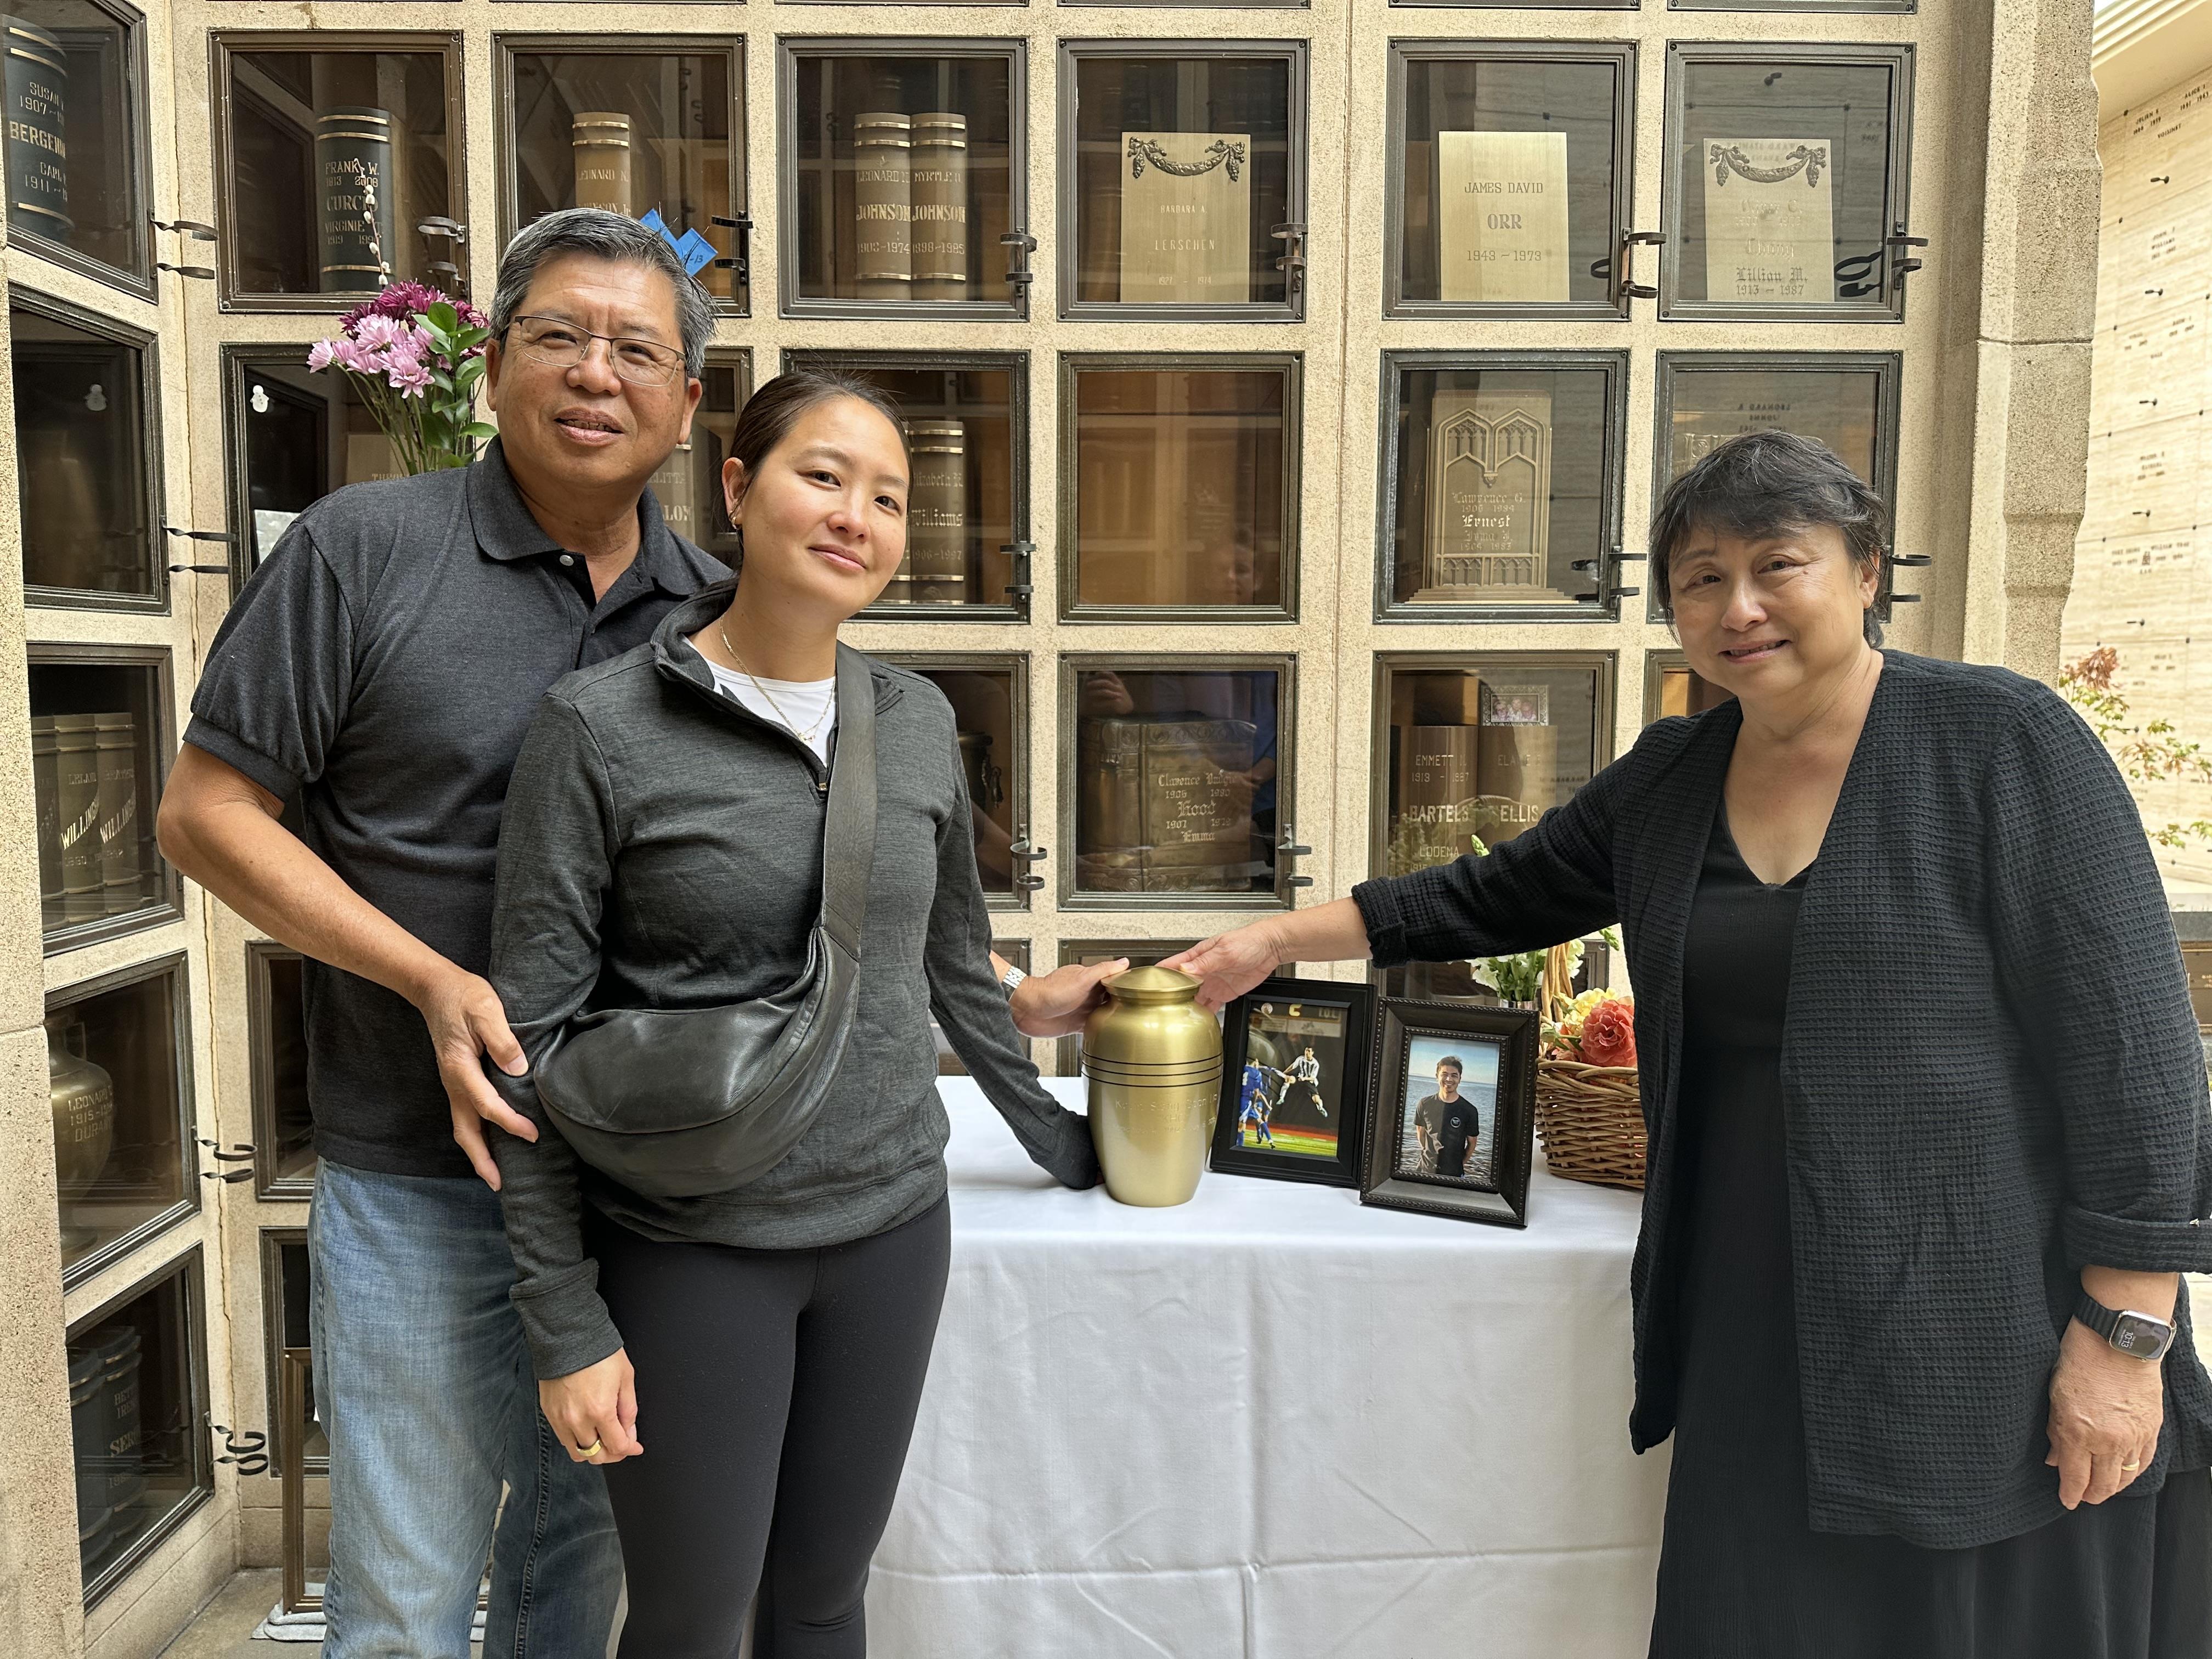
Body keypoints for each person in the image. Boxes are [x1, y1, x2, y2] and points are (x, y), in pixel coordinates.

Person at [155, 213, 1118, 1657]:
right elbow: (202, 815)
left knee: (576, 1585)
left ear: (685, 414)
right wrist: (426, 977)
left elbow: (780, 900)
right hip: (425, 1164)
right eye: (559, 335)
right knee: (411, 1599)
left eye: (639, 352)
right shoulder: (367, 550)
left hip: (648, 1177)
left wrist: (995, 996)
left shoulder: (714, 611)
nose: (596, 375)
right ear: (492, 365)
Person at [1168, 431, 2212, 1658]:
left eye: (1781, 565)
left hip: (1982, 1319)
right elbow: (1498, 893)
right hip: (1752, 1314)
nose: (1741, 607)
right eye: (1703, 577)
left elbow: (2142, 1061)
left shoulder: (2001, 744)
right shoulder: (1677, 771)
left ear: (1868, 571)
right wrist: (1271, 941)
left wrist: (2125, 1341)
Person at [481, 368, 1103, 1658]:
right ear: (737, 486)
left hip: (890, 1228)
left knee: (824, 1601)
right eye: (824, 476)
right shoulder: (600, 729)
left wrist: (1065, 1141)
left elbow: (953, 967)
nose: (855, 517)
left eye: (889, 497)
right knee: (697, 1619)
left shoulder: (917, 720)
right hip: (692, 1246)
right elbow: (528, 1049)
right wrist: (567, 1323)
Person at [1410, 1056, 1477, 1180]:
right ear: (1437, 1076)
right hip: (1425, 1170)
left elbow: (1471, 1145)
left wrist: (1457, 1164)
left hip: (1454, 1175)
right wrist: (1430, 1155)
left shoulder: (1469, 1111)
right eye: (1444, 1074)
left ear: (1460, 1079)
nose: (1449, 1079)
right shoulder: (1424, 1104)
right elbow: (1421, 1133)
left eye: (1454, 1075)